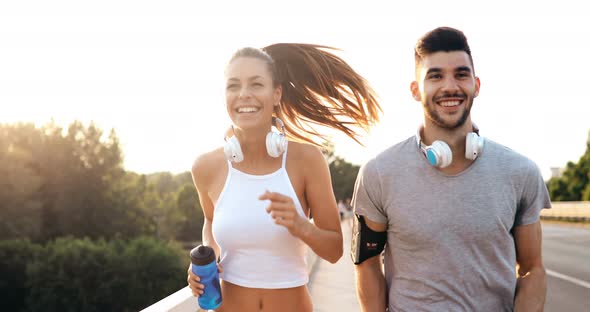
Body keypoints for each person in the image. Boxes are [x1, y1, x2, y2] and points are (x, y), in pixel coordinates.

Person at [352, 27, 551, 311]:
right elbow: (367, 264)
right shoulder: (379, 172)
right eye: (435, 76)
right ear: (415, 90)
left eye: (461, 74)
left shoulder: (520, 172)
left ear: (476, 85)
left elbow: (532, 269)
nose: (450, 87)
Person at [187, 43, 381, 311]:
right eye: (233, 86)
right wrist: (206, 261)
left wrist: (301, 225)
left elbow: (335, 250)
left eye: (256, 84)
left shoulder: (307, 160)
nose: (244, 94)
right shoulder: (206, 167)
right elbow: (210, 220)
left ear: (276, 93)